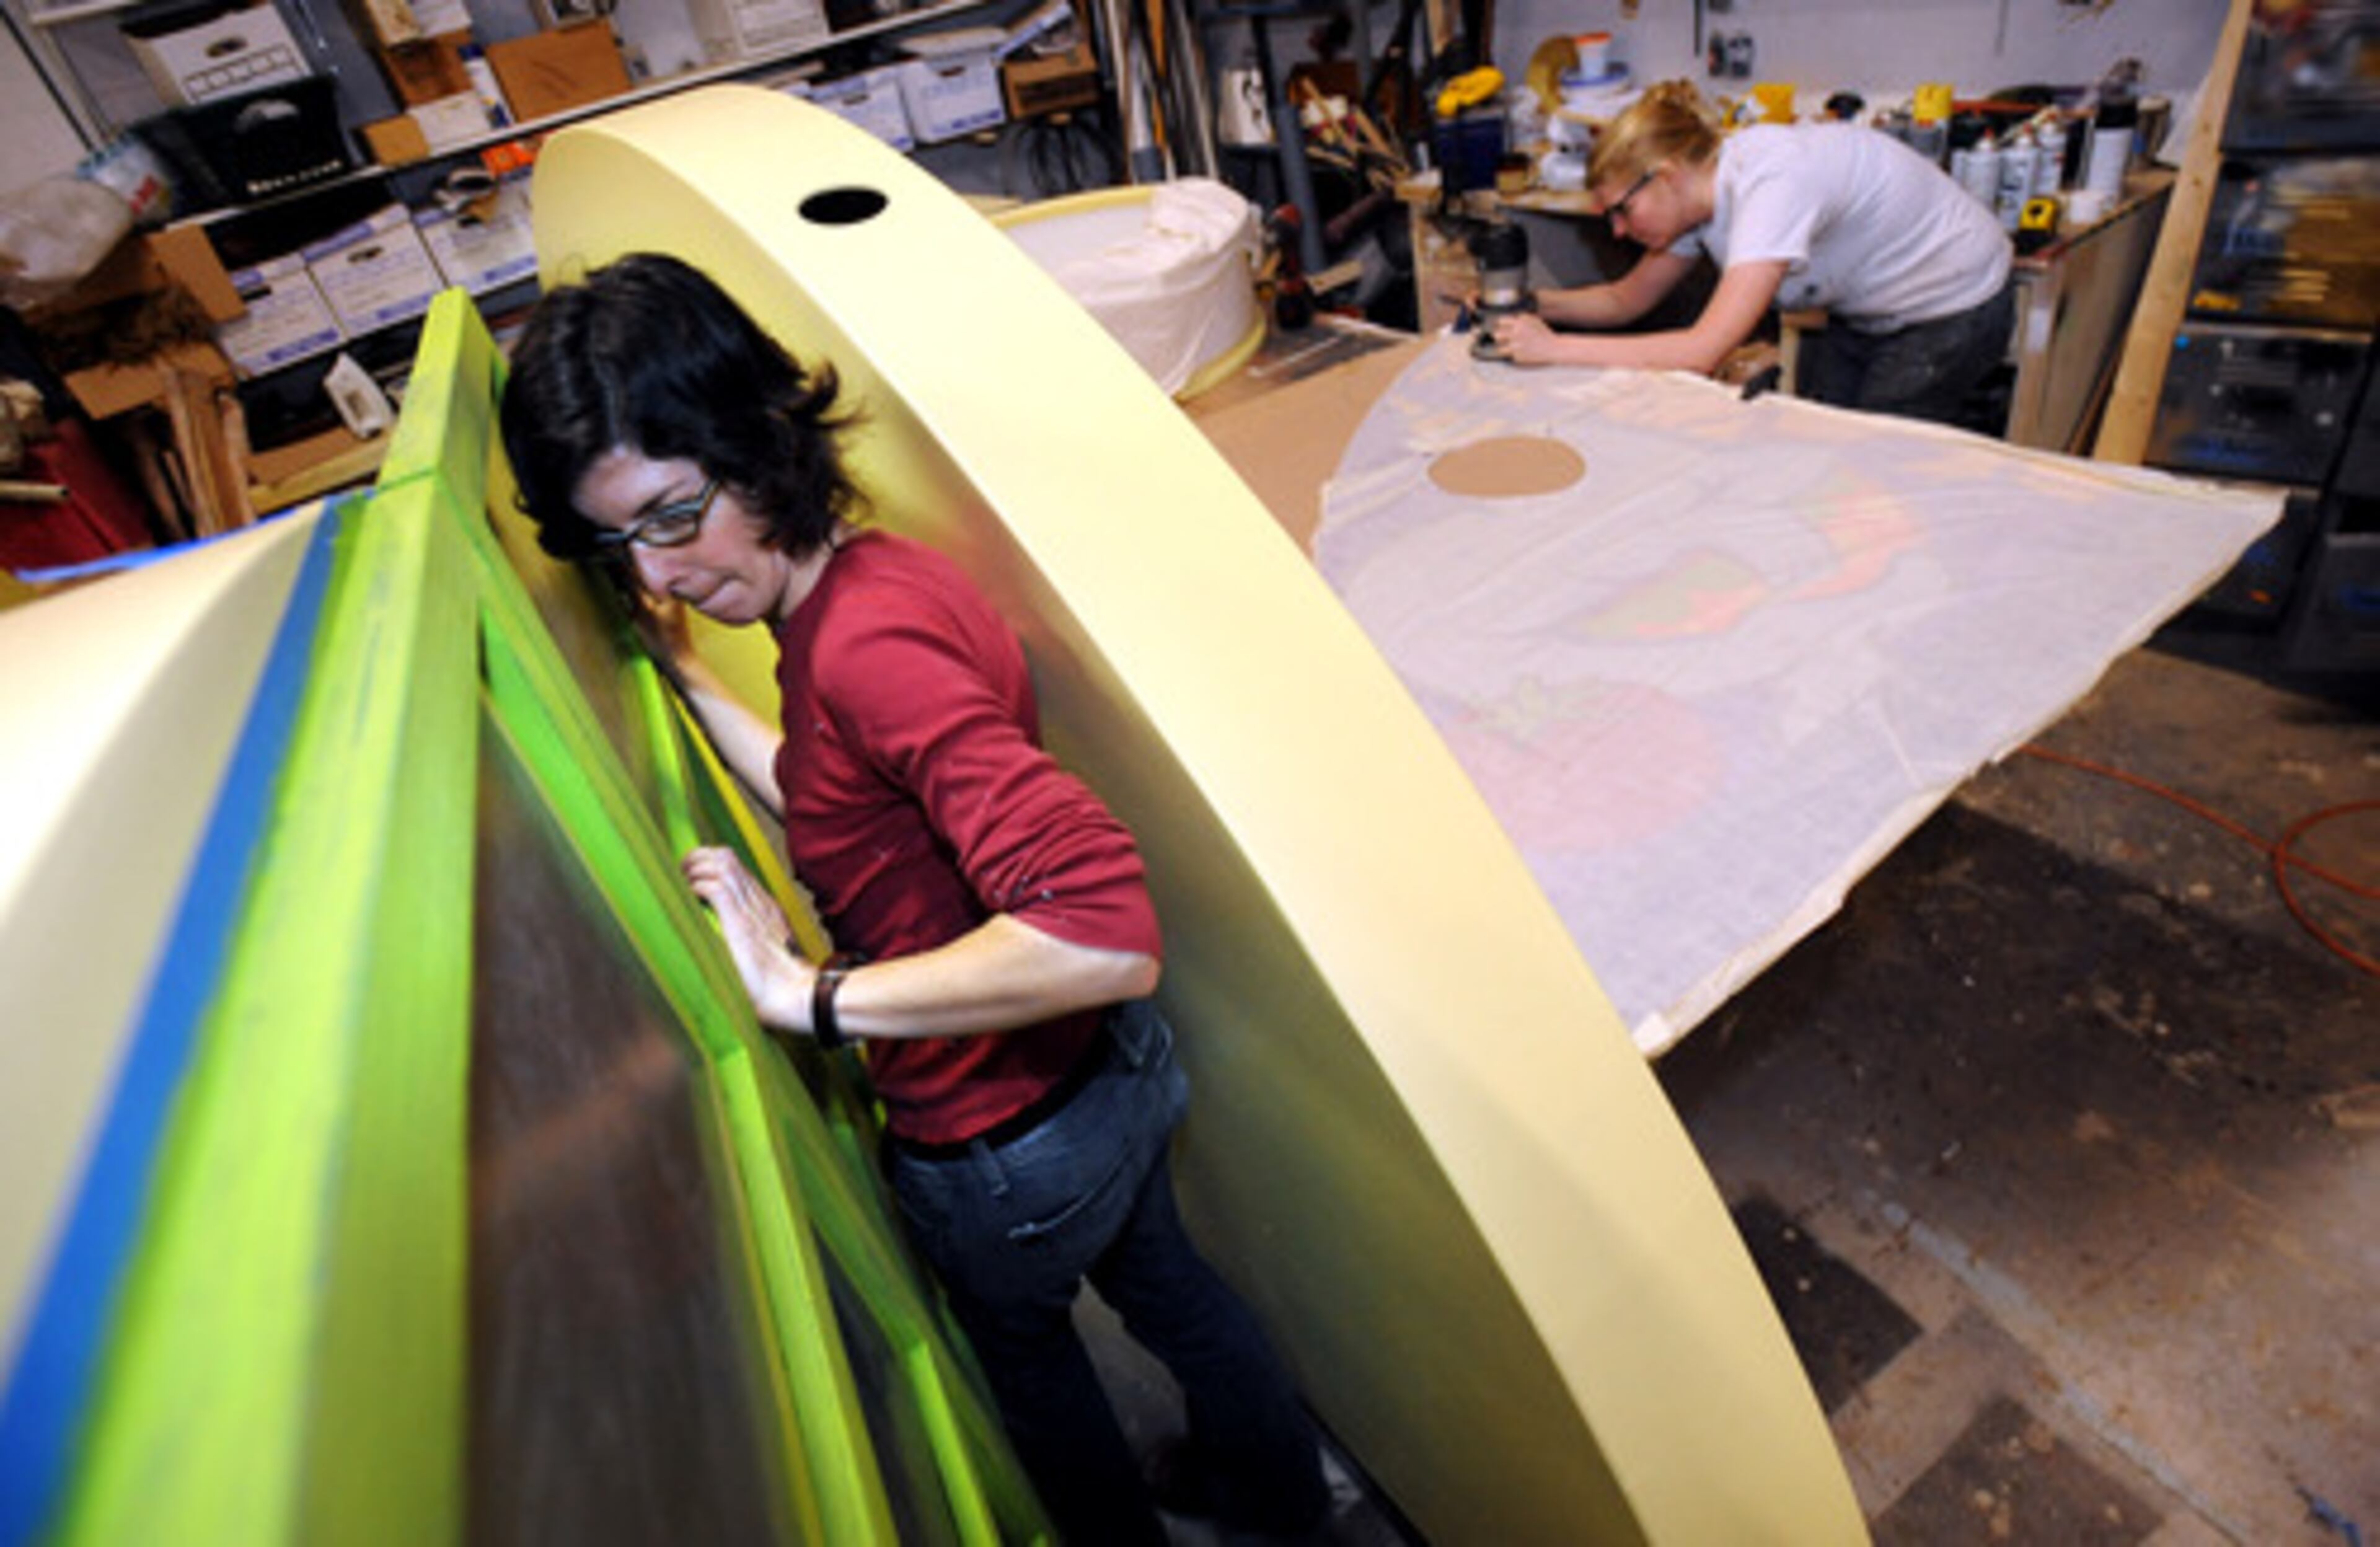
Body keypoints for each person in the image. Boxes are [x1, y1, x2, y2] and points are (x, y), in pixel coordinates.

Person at [499, 252, 1329, 1545]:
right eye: (619, 544)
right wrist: (700, 690)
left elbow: (1100, 930)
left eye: (671, 515)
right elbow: (854, 801)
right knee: (1175, 1293)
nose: (655, 576)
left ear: (755, 437)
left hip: (999, 1145)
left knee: (1038, 1372)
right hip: (1104, 1085)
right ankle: (1285, 1505)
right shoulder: (873, 583)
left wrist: (809, 995)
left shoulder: (864, 650)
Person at [1491, 81, 2016, 426]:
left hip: (1954, 301)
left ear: (1667, 175)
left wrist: (1555, 349)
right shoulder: (1694, 201)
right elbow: (1624, 300)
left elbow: (1702, 352)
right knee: (1819, 436)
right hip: (1871, 308)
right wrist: (1529, 304)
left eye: (1622, 211)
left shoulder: (1771, 185)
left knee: (1875, 465)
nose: (1620, 231)